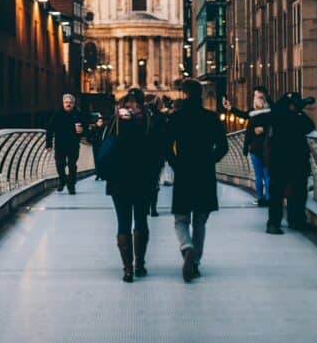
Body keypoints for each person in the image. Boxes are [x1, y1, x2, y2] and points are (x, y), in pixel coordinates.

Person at [168, 79, 229, 282]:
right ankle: (195, 262)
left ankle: (187, 248)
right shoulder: (211, 118)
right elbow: (223, 147)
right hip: (204, 172)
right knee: (200, 220)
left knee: (180, 219)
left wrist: (176, 163)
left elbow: (166, 145)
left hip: (184, 172)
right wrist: (210, 160)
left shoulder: (176, 118)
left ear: (184, 95)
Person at [105, 88, 164, 282]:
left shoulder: (115, 123)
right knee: (141, 221)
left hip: (118, 181)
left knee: (123, 223)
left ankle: (127, 270)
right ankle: (140, 264)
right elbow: (158, 153)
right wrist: (155, 176)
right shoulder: (149, 122)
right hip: (143, 180)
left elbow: (104, 148)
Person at [265, 92, 315, 234]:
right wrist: (297, 113)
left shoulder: (287, 115)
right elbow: (307, 126)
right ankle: (278, 222)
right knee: (280, 193)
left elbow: (310, 126)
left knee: (296, 192)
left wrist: (298, 112)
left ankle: (292, 221)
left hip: (291, 160)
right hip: (284, 160)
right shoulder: (279, 115)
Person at [222, 86, 272, 206]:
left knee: (258, 175)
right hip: (268, 148)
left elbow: (247, 127)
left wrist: (245, 149)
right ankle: (270, 198)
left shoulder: (253, 114)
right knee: (267, 175)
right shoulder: (271, 114)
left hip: (255, 148)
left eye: (256, 96)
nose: (254, 98)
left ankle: (260, 198)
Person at [45, 93, 85, 194]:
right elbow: (49, 129)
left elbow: (85, 128)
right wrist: (48, 144)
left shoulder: (78, 114)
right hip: (60, 145)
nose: (68, 104)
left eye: (70, 103)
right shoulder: (57, 114)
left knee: (72, 165)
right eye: (66, 102)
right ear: (63, 103)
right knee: (60, 164)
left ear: (73, 104)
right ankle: (62, 180)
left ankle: (71, 186)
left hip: (73, 144)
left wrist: (82, 131)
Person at [86, 114, 108, 181]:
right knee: (96, 160)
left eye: (101, 121)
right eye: (99, 121)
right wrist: (92, 141)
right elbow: (88, 138)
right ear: (96, 122)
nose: (100, 123)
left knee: (102, 160)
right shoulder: (93, 129)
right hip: (96, 146)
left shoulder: (105, 129)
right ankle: (98, 174)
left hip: (103, 147)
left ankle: (102, 174)